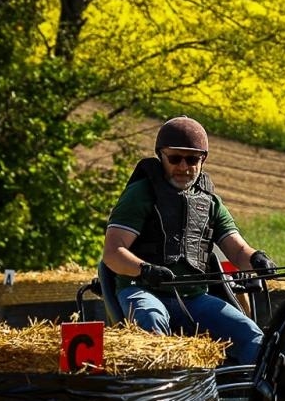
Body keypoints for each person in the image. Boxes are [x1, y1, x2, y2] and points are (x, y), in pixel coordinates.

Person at [102, 116, 273, 367]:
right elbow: (113, 253)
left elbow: (237, 251)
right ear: (161, 156)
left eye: (192, 159)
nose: (183, 167)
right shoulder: (140, 194)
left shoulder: (211, 202)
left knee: (252, 337)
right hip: (142, 290)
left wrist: (257, 260)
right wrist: (145, 270)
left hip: (194, 299)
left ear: (202, 160)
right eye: (175, 158)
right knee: (151, 319)